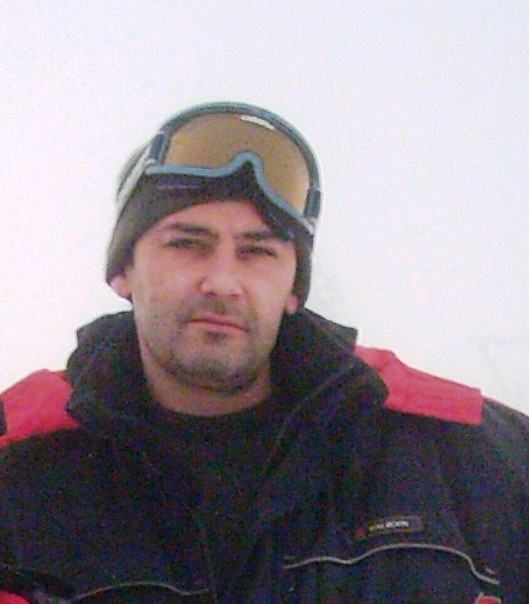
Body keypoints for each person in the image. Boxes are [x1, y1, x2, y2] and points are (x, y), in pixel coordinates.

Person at [0, 102, 527, 604]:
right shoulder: (18, 473)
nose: (223, 282)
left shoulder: (472, 458)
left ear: (294, 288)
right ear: (123, 271)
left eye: (257, 252)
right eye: (187, 244)